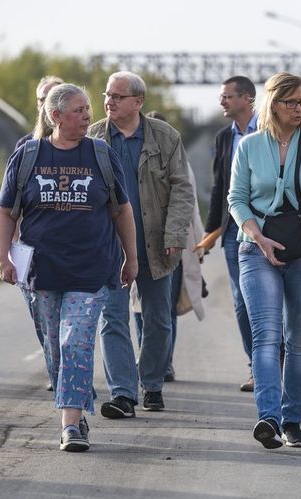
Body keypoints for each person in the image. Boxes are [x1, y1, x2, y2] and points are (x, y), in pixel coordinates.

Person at [0, 83, 137, 452]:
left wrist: (131, 257)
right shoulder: (28, 155)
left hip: (91, 269)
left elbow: (121, 209)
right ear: (55, 115)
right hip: (41, 272)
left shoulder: (100, 154)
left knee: (76, 342)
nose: (89, 115)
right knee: (55, 347)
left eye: (89, 109)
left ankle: (70, 424)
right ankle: (76, 410)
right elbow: (6, 212)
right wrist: (1, 258)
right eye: (79, 110)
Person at [228, 72, 301, 449]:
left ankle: (293, 420)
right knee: (267, 337)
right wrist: (257, 237)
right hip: (256, 251)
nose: (300, 108)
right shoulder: (250, 145)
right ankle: (268, 418)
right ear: (273, 104)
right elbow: (236, 198)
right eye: (292, 101)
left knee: (300, 339)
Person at [88, 71, 194, 417]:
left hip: (155, 241)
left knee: (159, 318)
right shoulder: (93, 138)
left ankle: (151, 382)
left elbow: (182, 187)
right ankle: (122, 393)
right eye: (107, 95)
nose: (109, 102)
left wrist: (176, 234)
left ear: (138, 102)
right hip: (108, 245)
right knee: (112, 318)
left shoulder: (164, 136)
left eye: (117, 96)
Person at [132, 110, 206, 383]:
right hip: (139, 245)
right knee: (139, 308)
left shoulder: (177, 159)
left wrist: (198, 244)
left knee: (165, 309)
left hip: (171, 246)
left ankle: (164, 362)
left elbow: (191, 204)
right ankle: (148, 359)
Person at [203, 76, 259, 392]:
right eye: (221, 96)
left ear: (247, 98)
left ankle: (276, 361)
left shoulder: (268, 131)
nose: (222, 101)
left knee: (269, 301)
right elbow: (218, 185)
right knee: (241, 301)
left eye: (228, 96)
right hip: (232, 229)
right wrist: (212, 230)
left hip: (267, 225)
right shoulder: (225, 137)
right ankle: (257, 366)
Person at [14, 74, 64, 392]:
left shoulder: (86, 147)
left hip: (66, 249)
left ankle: (65, 377)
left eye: (53, 96)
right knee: (39, 316)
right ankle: (53, 365)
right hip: (25, 248)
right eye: (41, 98)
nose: (46, 103)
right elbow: (9, 204)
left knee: (63, 319)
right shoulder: (25, 148)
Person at [15, 75, 65, 149]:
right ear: (38, 104)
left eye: (52, 98)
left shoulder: (79, 142)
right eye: (42, 99)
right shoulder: (25, 145)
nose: (47, 104)